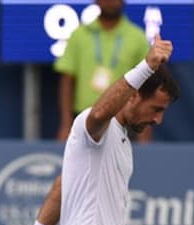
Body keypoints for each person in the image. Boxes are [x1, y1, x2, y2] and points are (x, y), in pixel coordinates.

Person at [12, 34, 179, 225]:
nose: (158, 119)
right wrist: (146, 66)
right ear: (132, 97)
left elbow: (63, 185)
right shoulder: (91, 127)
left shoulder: (124, 143)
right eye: (155, 109)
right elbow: (101, 112)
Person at [55, 0, 153, 143]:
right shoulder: (79, 35)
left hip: (122, 120)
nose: (110, 2)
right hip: (84, 119)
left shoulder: (137, 37)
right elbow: (67, 80)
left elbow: (147, 86)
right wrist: (65, 124)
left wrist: (145, 129)